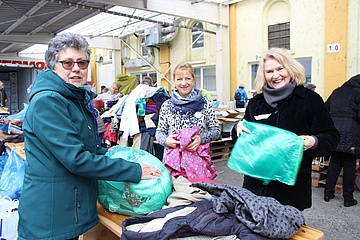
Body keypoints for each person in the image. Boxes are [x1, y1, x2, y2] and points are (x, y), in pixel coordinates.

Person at [17, 32, 161, 240]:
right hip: (50, 217)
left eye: (82, 63)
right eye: (67, 63)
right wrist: (135, 170)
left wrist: (107, 151)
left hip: (64, 209)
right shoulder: (48, 102)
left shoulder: (73, 97)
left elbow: (80, 146)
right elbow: (76, 159)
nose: (76, 68)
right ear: (52, 66)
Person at [234, 47, 339, 211]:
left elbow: (332, 136)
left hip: (291, 190)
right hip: (255, 187)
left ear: (290, 68)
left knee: (288, 233)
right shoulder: (256, 103)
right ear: (264, 75)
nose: (275, 75)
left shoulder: (309, 100)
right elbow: (244, 141)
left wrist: (314, 141)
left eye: (280, 68)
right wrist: (237, 129)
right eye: (269, 71)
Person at [155, 62, 221, 180]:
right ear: (174, 80)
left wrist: (201, 139)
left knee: (199, 196)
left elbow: (216, 130)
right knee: (176, 197)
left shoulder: (205, 103)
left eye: (188, 78)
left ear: (194, 79)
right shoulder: (167, 105)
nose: (184, 83)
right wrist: (166, 140)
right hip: (173, 167)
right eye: (179, 79)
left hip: (199, 166)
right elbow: (159, 132)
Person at [323, 74, 360, 207]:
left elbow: (325, 109)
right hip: (351, 132)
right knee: (349, 164)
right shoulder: (358, 93)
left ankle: (328, 193)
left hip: (334, 131)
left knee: (335, 162)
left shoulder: (337, 91)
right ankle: (348, 198)